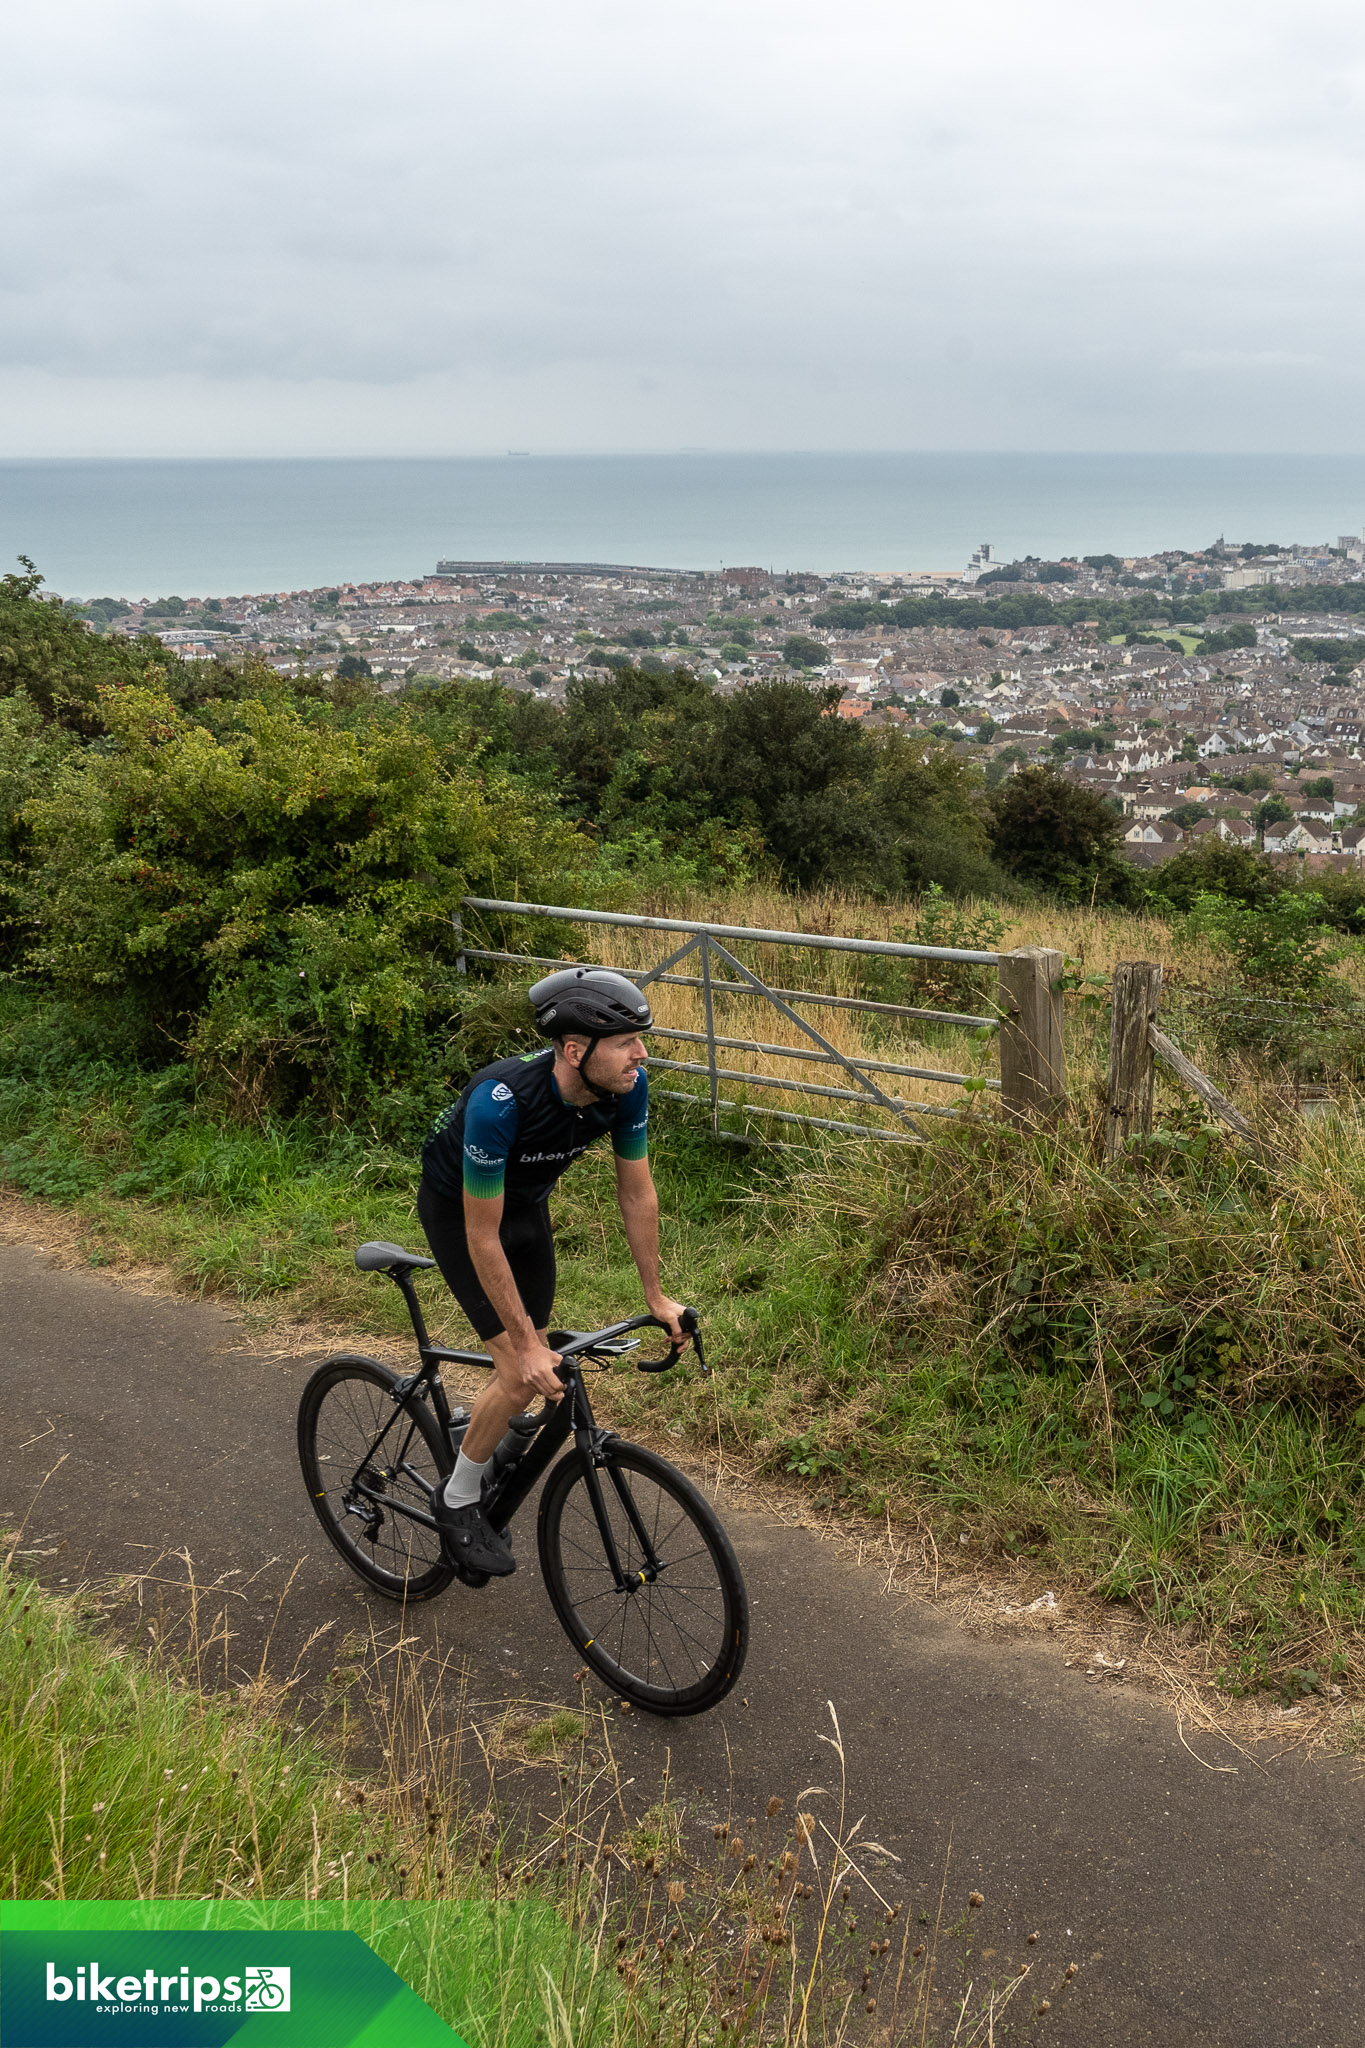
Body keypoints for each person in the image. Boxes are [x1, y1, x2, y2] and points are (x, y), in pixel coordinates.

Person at [417, 968, 690, 1578]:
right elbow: (480, 1235)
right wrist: (523, 1346)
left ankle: (491, 1431)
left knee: (538, 1361)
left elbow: (636, 1194)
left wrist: (656, 1294)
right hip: (461, 1212)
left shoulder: (627, 1090)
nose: (641, 1055)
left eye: (640, 1040)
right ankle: (457, 1499)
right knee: (521, 1367)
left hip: (526, 1208)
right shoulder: (500, 1100)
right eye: (626, 1042)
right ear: (574, 1050)